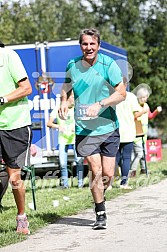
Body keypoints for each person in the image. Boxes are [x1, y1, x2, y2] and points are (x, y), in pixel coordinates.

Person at [58, 28, 126, 229]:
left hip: (108, 127)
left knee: (107, 174)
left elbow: (121, 93)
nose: (88, 48)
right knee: (95, 170)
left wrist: (101, 104)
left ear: (98, 45)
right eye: (85, 44)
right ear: (81, 46)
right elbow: (67, 88)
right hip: (85, 130)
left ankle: (101, 194)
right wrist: (64, 101)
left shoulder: (108, 64)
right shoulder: (73, 65)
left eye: (92, 44)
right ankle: (100, 213)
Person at [0, 41, 32, 234]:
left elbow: (26, 88)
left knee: (14, 178)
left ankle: (21, 216)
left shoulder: (8, 56)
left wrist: (2, 99)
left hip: (15, 125)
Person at [47, 92, 84, 188]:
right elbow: (49, 123)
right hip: (63, 140)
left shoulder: (76, 109)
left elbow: (83, 121)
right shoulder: (58, 109)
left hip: (75, 138)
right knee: (63, 163)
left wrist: (76, 127)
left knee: (79, 161)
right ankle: (65, 185)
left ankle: (80, 184)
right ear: (67, 98)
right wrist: (58, 126)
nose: (74, 99)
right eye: (72, 97)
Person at [116, 78, 147, 189]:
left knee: (115, 157)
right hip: (129, 131)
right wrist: (143, 111)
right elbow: (136, 115)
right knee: (127, 157)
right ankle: (124, 183)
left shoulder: (113, 96)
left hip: (115, 131)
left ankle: (108, 183)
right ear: (126, 84)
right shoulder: (131, 97)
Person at [130, 84, 162, 177]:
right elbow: (135, 116)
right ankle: (132, 171)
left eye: (146, 97)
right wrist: (143, 111)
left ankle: (144, 170)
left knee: (144, 153)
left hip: (144, 133)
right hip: (136, 133)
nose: (145, 99)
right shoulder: (135, 105)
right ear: (139, 97)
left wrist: (156, 111)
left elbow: (150, 116)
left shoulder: (146, 105)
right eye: (143, 97)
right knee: (139, 153)